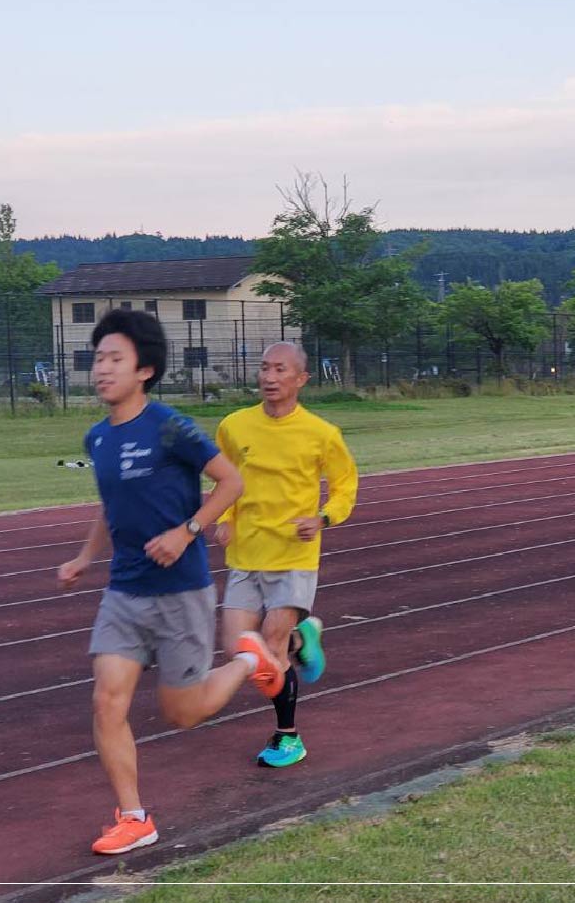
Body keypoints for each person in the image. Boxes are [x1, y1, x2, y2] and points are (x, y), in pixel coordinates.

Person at [56, 309, 279, 856]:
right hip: (125, 592)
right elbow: (111, 506)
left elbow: (231, 481)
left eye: (116, 359)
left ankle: (252, 661)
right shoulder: (97, 439)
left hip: (181, 590)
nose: (102, 369)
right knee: (107, 701)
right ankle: (134, 817)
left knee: (185, 713)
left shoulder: (171, 426)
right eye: (98, 359)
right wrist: (86, 557)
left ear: (145, 370)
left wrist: (189, 531)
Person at [214, 341, 359, 769]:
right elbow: (226, 478)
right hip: (246, 553)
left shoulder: (321, 434)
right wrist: (223, 514)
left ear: (301, 379)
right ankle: (303, 637)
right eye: (264, 368)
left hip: (294, 555)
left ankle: (287, 737)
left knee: (270, 649)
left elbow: (346, 485)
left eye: (280, 369)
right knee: (241, 652)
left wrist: (324, 518)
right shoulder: (234, 426)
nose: (269, 377)